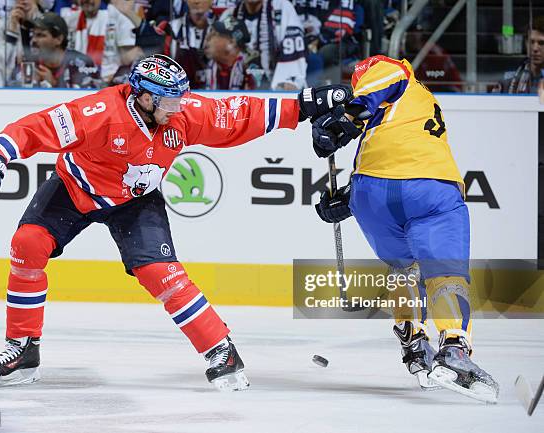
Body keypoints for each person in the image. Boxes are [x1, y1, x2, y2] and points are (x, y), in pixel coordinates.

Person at [0, 53, 349, 390]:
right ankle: (24, 346)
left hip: (135, 201)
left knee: (161, 273)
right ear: (143, 96)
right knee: (28, 244)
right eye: (169, 101)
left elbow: (239, 115)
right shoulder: (100, 113)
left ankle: (221, 350)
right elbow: (36, 128)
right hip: (75, 188)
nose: (179, 108)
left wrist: (304, 105)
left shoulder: (181, 115)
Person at [309, 55, 499, 403]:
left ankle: (414, 345)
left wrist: (349, 199)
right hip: (430, 189)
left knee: (403, 269)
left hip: (370, 195)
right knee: (444, 272)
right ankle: (454, 349)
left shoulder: (390, 94)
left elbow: (385, 163)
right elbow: (386, 91)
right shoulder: (403, 79)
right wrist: (349, 117)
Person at [224, 0, 308, 90]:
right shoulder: (230, 15)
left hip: (276, 90)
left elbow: (293, 54)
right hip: (241, 90)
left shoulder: (281, 7)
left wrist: (284, 83)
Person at [60, 0, 139, 83]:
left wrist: (116, 77)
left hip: (110, 81)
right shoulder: (70, 20)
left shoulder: (118, 16)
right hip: (78, 80)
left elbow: (128, 58)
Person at [494, 15, 544, 94]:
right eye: (531, 42)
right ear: (526, 43)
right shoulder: (508, 79)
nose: (535, 48)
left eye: (541, 43)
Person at [203, 15, 255, 89]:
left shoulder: (252, 69)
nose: (207, 37)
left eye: (214, 34)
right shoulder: (201, 63)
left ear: (231, 42)